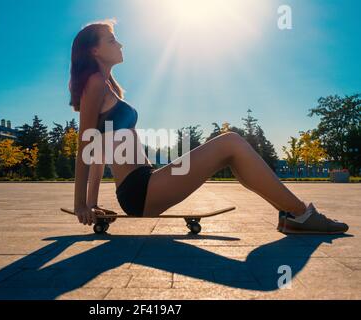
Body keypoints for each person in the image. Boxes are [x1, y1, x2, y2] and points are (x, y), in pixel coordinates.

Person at [69, 19, 349, 234]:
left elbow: (100, 148)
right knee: (231, 142)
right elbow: (87, 144)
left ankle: (294, 215)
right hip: (139, 190)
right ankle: (301, 214)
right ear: (94, 50)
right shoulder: (94, 83)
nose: (121, 44)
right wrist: (81, 203)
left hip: (145, 182)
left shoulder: (107, 88)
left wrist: (92, 203)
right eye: (112, 40)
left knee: (232, 151)